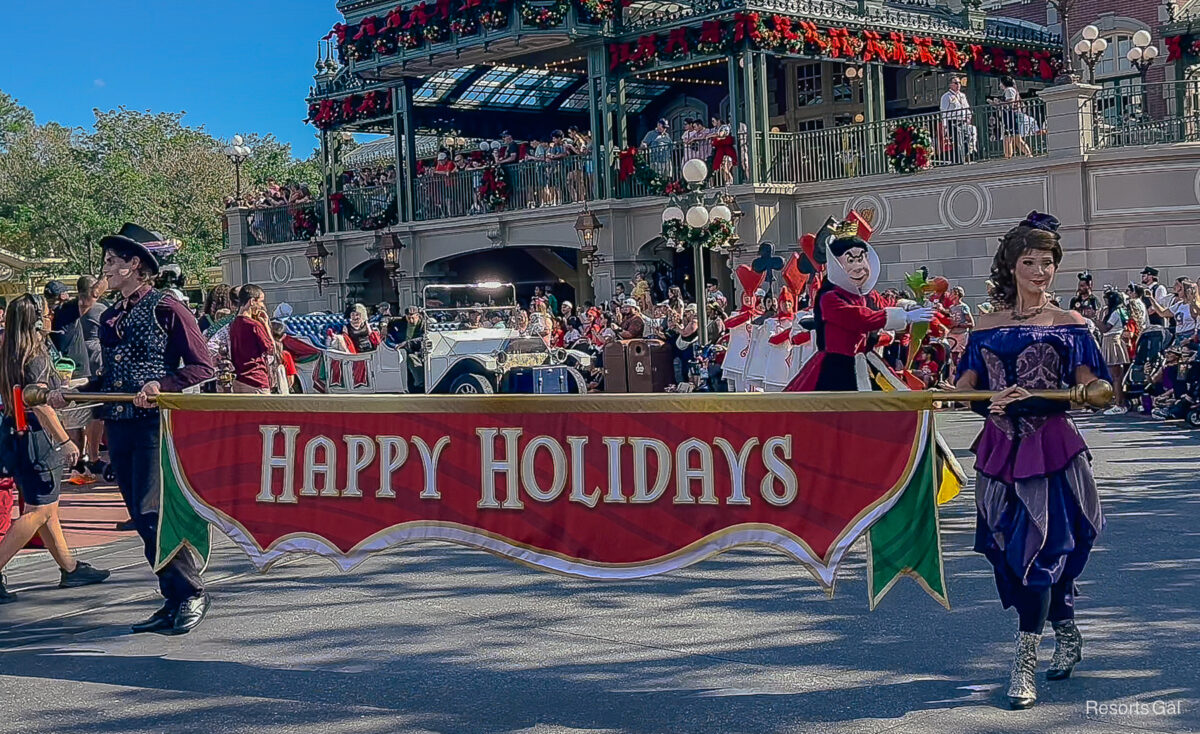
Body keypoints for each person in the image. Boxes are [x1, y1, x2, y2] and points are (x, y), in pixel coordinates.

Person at [953, 211, 1108, 709]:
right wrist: (988, 402)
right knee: (1009, 556)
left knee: (1043, 552)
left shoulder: (1071, 325)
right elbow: (963, 391)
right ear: (1011, 266)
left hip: (1052, 450)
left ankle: (1024, 662)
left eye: (1048, 262)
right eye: (1030, 261)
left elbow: (1098, 389)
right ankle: (1064, 627)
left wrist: (1065, 395)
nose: (1040, 271)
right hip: (1000, 451)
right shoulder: (986, 326)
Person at [48, 222, 215, 635]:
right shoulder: (110, 318)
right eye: (105, 261)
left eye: (112, 262)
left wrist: (163, 385)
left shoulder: (166, 308)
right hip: (120, 424)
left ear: (135, 265)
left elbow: (201, 366)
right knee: (139, 516)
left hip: (154, 424)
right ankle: (173, 596)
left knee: (151, 511)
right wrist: (70, 391)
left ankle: (191, 591)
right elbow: (108, 378)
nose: (105, 268)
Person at [0, 295, 110, 603]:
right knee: (37, 511)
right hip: (38, 439)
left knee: (48, 508)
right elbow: (41, 405)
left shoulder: (9, 351)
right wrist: (64, 440)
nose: (51, 316)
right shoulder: (33, 355)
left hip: (17, 435)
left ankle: (70, 567)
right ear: (36, 318)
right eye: (46, 312)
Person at [785, 219, 934, 391]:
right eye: (851, 261)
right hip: (837, 367)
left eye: (861, 259)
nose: (859, 268)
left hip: (865, 361)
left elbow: (885, 303)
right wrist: (903, 317)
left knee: (894, 403)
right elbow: (858, 318)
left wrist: (909, 306)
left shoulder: (866, 294)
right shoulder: (829, 297)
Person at [228, 284, 274, 394]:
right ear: (252, 301)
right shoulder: (255, 326)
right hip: (256, 379)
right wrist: (266, 326)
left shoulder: (234, 324)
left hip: (239, 379)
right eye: (261, 301)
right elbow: (271, 349)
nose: (263, 306)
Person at [1099, 290, 1131, 414]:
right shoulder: (1121, 310)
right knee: (1116, 375)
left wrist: (1096, 319)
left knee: (1116, 376)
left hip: (1112, 341)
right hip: (1115, 341)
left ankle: (1118, 404)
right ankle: (1118, 401)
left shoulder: (1116, 313)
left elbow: (1105, 328)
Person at [940, 77, 973, 165]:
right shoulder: (946, 97)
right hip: (953, 121)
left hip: (963, 120)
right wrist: (945, 125)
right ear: (950, 84)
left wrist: (969, 116)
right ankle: (960, 161)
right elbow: (944, 111)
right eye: (956, 83)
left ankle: (965, 157)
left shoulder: (962, 95)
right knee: (958, 142)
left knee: (967, 139)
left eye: (959, 83)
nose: (958, 85)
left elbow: (966, 107)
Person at [1000, 76, 1033, 159]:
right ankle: (1025, 154)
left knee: (1011, 136)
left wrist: (999, 102)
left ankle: (1010, 156)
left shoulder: (1009, 90)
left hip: (1011, 115)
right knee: (1012, 137)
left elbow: (1010, 103)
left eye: (1000, 83)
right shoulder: (1009, 90)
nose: (999, 85)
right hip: (1008, 115)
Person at [395, 306, 427, 393]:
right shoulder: (402, 321)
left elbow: (424, 338)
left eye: (413, 317)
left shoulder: (424, 324)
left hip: (419, 351)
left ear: (418, 315)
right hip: (403, 350)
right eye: (408, 317)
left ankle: (420, 383)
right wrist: (384, 325)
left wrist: (407, 343)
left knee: (411, 358)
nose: (411, 320)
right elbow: (388, 319)